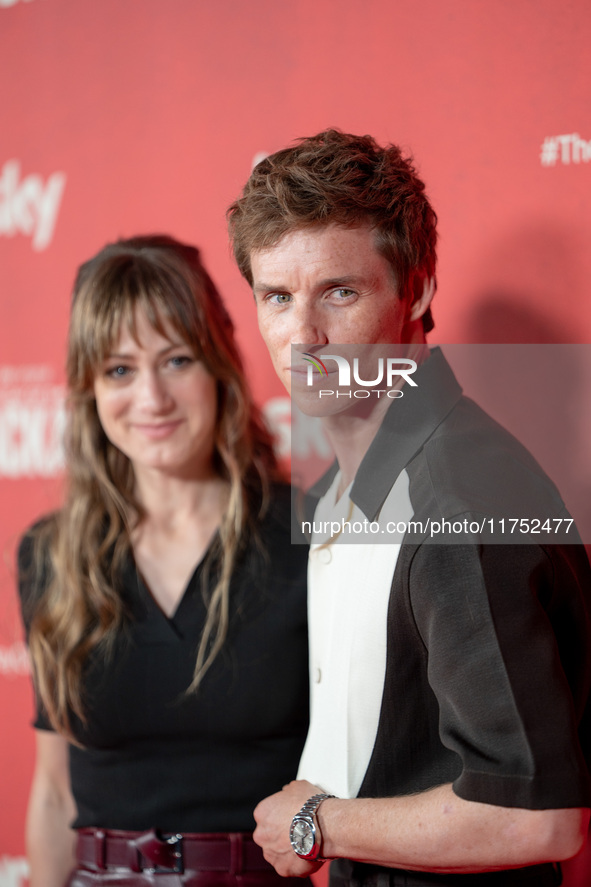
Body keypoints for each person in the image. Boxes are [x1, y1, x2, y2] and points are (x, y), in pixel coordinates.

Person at [227, 130, 591, 887]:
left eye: (340, 291)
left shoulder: (460, 501)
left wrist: (317, 820)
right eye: (277, 297)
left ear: (417, 290)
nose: (305, 338)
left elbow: (536, 816)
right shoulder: (340, 488)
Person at [17, 235, 310, 887]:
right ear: (89, 388)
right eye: (118, 369)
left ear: (217, 365)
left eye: (176, 360)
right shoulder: (49, 553)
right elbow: (55, 793)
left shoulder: (313, 532)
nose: (151, 398)